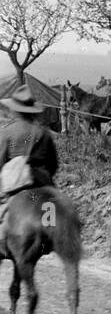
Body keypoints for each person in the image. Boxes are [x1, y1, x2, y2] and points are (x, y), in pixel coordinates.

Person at [0, 87, 59, 228]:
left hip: (15, 188)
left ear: (14, 110)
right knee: (53, 226)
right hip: (43, 186)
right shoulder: (44, 133)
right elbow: (53, 165)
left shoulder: (6, 133)